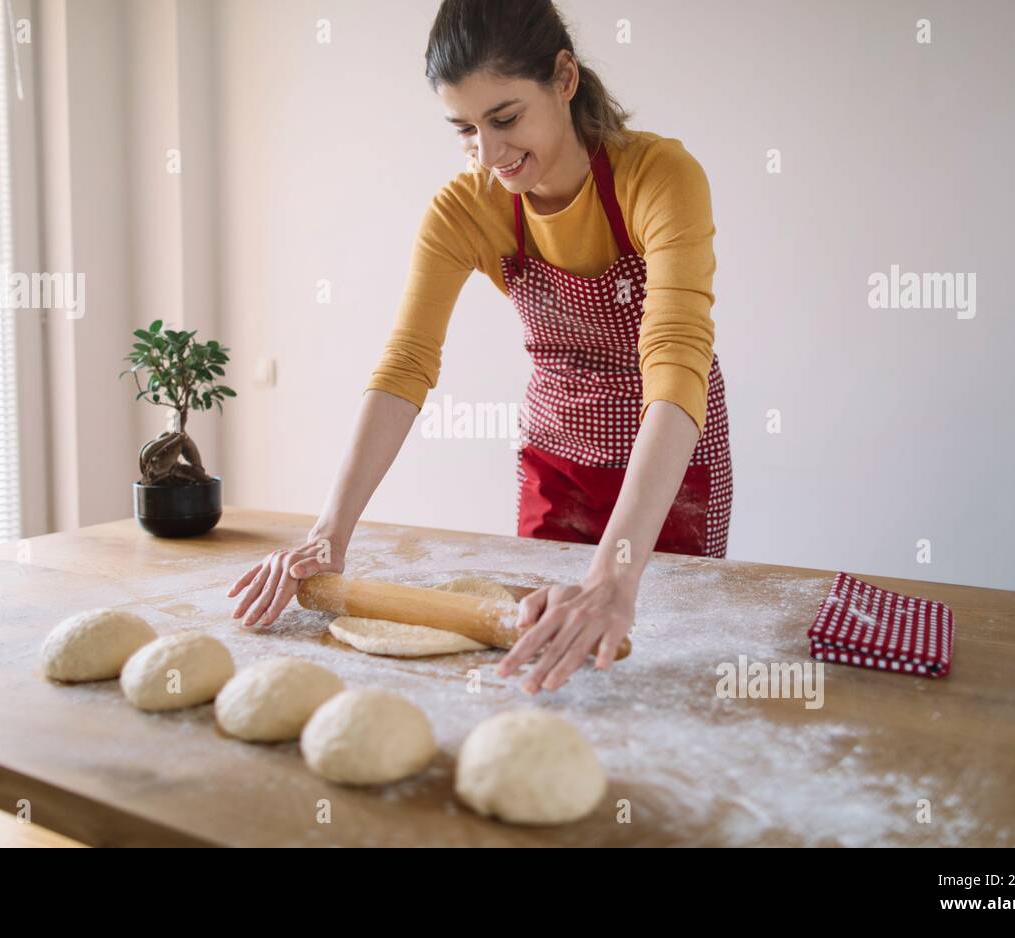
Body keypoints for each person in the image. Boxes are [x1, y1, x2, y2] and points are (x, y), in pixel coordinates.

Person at [230, 0, 731, 694]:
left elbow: (676, 361)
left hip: (666, 473)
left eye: (505, 119)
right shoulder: (464, 210)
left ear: (564, 77)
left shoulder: (661, 178)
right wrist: (329, 532)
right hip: (556, 468)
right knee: (546, 660)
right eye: (465, 129)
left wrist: (613, 576)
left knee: (659, 673)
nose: (489, 156)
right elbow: (405, 366)